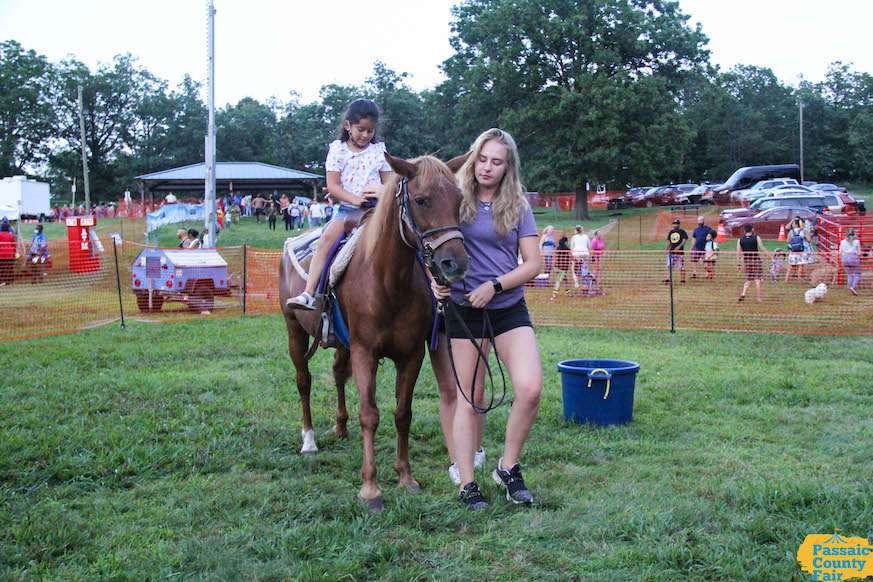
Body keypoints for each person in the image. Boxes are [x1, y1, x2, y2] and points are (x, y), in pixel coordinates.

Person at [431, 128, 542, 511]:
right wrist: (436, 282)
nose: (487, 168)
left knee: (529, 389)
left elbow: (534, 263)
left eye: (497, 161)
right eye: (482, 159)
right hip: (464, 311)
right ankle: (467, 483)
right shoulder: (454, 197)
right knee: (471, 399)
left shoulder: (518, 204)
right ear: (473, 157)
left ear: (507, 166)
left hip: (508, 306)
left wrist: (495, 285)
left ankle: (508, 467)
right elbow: (430, 240)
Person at [287, 99, 391, 310]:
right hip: (347, 211)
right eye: (360, 129)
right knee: (326, 240)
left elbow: (389, 183)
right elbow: (333, 186)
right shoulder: (338, 151)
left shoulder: (379, 151)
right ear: (347, 126)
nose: (365, 135)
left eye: (370, 131)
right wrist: (355, 199)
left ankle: (433, 290)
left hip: (376, 211)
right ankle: (310, 292)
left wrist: (381, 192)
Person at [737, 223, 771, 302]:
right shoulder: (756, 238)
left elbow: (738, 253)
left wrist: (738, 264)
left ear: (744, 231)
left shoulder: (740, 240)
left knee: (748, 280)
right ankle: (759, 298)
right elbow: (762, 248)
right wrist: (770, 257)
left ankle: (743, 294)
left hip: (747, 262)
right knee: (757, 280)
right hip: (756, 261)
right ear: (752, 230)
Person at [785, 215, 813, 282]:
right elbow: (809, 240)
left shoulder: (791, 231)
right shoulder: (803, 231)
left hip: (793, 250)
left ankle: (786, 279)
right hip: (801, 250)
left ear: (795, 224)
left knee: (791, 265)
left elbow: (787, 241)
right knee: (800, 265)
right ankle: (799, 278)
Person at [663, 219, 688, 284]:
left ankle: (682, 279)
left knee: (681, 266)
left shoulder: (682, 231)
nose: (675, 225)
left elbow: (684, 240)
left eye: (676, 224)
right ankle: (668, 278)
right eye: (674, 224)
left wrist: (679, 247)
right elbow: (669, 241)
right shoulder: (671, 232)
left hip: (680, 253)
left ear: (679, 225)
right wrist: (666, 249)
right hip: (672, 252)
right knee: (669, 266)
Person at [840, 228, 862, 296]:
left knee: (850, 274)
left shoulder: (842, 242)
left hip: (845, 259)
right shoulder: (857, 242)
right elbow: (859, 253)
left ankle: (850, 287)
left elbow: (840, 252)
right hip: (853, 258)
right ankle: (853, 287)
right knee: (858, 274)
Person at [570, 225, 590, 291]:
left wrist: (572, 255)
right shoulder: (586, 236)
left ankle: (576, 283)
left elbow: (572, 247)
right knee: (585, 269)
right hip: (585, 254)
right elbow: (589, 246)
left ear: (576, 231)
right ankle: (584, 283)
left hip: (577, 254)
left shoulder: (574, 237)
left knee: (574, 269)